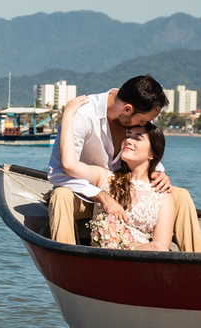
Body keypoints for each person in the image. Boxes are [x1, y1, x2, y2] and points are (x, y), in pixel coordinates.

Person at [46, 75, 201, 251]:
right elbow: (58, 171)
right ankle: (68, 260)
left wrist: (159, 173)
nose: (145, 125)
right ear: (127, 109)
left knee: (180, 196)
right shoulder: (82, 115)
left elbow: (148, 149)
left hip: (125, 189)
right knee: (61, 196)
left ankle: (199, 265)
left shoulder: (138, 113)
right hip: (85, 192)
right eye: (143, 121)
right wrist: (101, 195)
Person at [58, 98, 173, 250]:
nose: (129, 141)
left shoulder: (162, 192)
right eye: (128, 136)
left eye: (137, 138)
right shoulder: (104, 177)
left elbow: (160, 245)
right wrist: (68, 116)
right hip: (103, 254)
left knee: (160, 249)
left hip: (140, 257)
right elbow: (69, 165)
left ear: (152, 154)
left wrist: (126, 247)